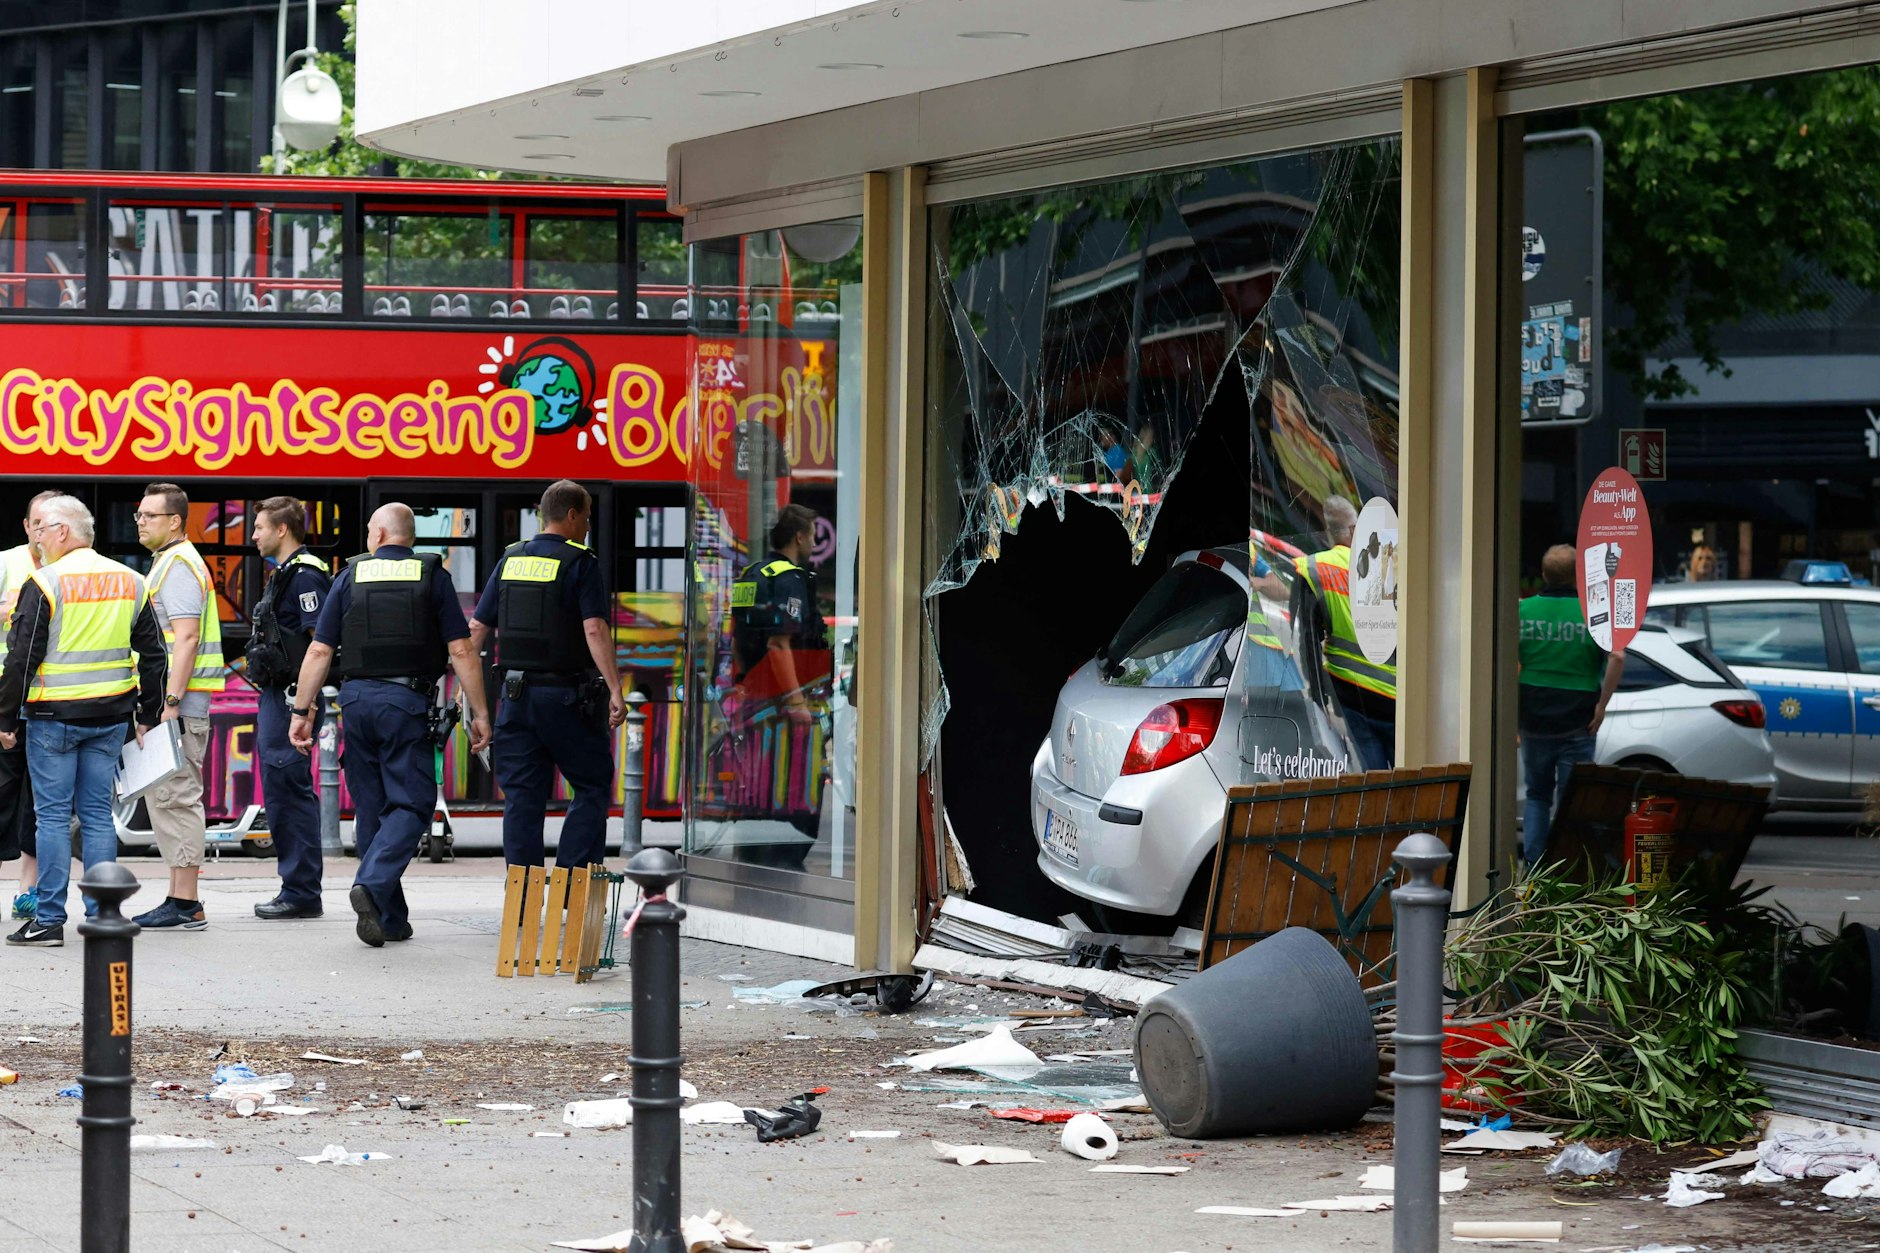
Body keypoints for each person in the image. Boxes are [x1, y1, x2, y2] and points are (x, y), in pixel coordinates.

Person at [290, 503, 491, 948]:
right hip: (405, 703)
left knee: (372, 808)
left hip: (356, 701)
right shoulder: (433, 577)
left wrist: (301, 712)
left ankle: (390, 918)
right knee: (415, 804)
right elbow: (461, 651)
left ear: (379, 534)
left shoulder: (349, 577)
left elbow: (320, 652)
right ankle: (373, 881)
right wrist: (480, 714)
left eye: (367, 530)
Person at [0, 496, 166, 947]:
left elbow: (21, 658)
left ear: (63, 532)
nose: (36, 539)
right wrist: (148, 712)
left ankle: (49, 920)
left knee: (52, 819)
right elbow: (155, 653)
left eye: (42, 530)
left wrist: (6, 718)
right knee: (96, 817)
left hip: (54, 718)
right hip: (111, 716)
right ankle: (103, 915)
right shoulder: (132, 581)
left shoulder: (47, 582)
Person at [469, 480, 625, 870]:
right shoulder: (581, 562)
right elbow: (594, 629)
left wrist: (471, 701)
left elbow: (476, 630)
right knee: (590, 785)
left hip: (515, 699)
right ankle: (571, 888)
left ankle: (522, 898)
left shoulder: (509, 560)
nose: (588, 526)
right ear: (571, 515)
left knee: (522, 798)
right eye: (586, 518)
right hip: (567, 699)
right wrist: (616, 691)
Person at [131, 483, 224, 931]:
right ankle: (179, 897)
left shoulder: (179, 565)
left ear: (174, 521)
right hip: (178, 704)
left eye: (150, 515)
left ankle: (186, 902)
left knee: (177, 798)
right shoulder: (168, 562)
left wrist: (168, 703)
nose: (141, 521)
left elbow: (185, 638)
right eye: (139, 515)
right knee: (167, 799)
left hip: (180, 706)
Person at [246, 497, 332, 920]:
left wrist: (306, 702)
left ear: (282, 530)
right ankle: (296, 886)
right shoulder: (285, 575)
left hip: (291, 698)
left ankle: (300, 891)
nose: (254, 534)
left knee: (289, 792)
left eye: (260, 527)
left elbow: (320, 642)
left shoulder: (304, 577)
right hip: (282, 696)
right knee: (280, 793)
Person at [1518, 543, 1626, 866]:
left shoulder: (1522, 611)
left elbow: (1507, 663)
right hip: (1579, 717)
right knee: (1573, 801)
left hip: (1534, 715)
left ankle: (1534, 871)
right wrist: (1602, 705)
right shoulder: (1592, 611)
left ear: (1543, 576)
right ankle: (1568, 869)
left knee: (1537, 795)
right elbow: (1618, 656)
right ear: (1579, 575)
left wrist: (1513, 717)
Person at [1293, 496, 1397, 770]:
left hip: (1350, 697)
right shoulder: (1386, 567)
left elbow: (1308, 645)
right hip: (1396, 698)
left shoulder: (1314, 569)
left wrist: (1319, 704)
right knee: (1407, 788)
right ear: (1353, 531)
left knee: (1371, 784)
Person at [1, 490, 60, 921]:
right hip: (5, 694)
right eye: (37, 523)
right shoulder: (6, 563)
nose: (44, 531)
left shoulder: (72, 568)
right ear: (26, 526)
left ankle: (29, 889)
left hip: (51, 702)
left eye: (51, 523)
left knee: (40, 801)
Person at [731, 503, 829, 727]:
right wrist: (796, 701)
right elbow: (778, 645)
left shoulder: (752, 573)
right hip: (782, 705)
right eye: (812, 536)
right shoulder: (789, 579)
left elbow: (737, 640)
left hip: (753, 697)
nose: (814, 543)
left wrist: (744, 685)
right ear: (799, 537)